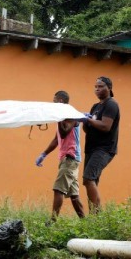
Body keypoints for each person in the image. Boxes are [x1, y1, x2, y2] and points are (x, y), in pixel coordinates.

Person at [35, 90, 85, 222]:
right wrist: (44, 154)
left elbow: (63, 133)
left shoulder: (71, 116)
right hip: (68, 159)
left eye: (55, 101)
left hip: (70, 158)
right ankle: (85, 222)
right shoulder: (63, 117)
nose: (53, 103)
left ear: (61, 102)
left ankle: (52, 221)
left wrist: (58, 117)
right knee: (74, 195)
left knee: (58, 189)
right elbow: (57, 138)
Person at [81, 76, 120, 213]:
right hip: (91, 148)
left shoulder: (111, 104)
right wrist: (85, 122)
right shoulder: (95, 107)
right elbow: (88, 130)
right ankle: (94, 216)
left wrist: (89, 120)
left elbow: (105, 126)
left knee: (88, 178)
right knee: (91, 182)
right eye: (95, 87)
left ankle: (98, 215)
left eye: (101, 86)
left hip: (104, 149)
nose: (97, 89)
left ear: (109, 88)